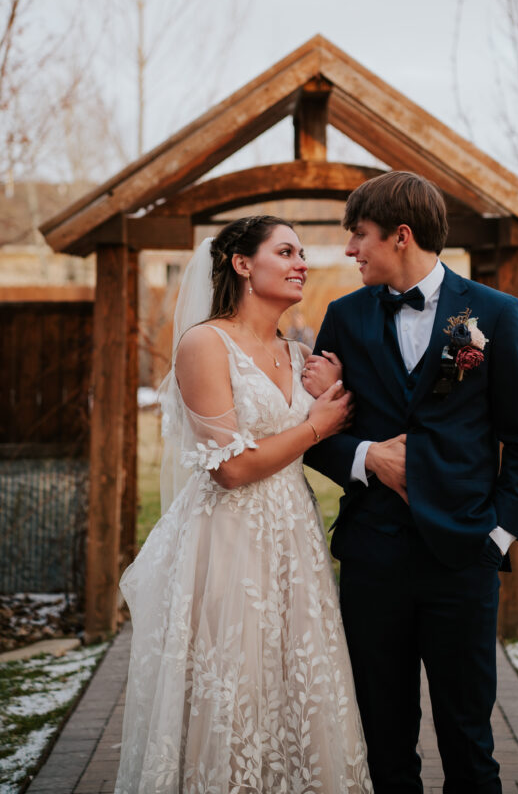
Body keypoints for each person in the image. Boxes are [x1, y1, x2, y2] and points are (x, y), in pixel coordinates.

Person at [304, 172, 518, 794]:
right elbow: (316, 431)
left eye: (358, 236)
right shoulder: (344, 318)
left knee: (469, 744)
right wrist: (367, 457)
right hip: (373, 559)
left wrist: (495, 536)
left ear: (400, 236)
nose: (350, 250)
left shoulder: (492, 314)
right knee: (383, 743)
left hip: (461, 562)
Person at [114, 216, 373, 794]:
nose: (301, 262)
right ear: (241, 264)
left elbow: (317, 426)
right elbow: (230, 468)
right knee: (235, 685)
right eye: (286, 251)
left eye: (302, 252)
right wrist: (317, 424)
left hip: (293, 534)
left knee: (296, 682)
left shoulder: (296, 349)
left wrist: (326, 391)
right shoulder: (205, 343)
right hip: (229, 538)